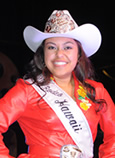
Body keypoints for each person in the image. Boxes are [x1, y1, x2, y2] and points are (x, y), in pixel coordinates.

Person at [0, 10, 115, 158]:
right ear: (43, 54)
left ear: (79, 53)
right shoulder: (27, 90)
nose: (59, 54)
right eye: (51, 47)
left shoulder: (96, 90)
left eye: (68, 47)